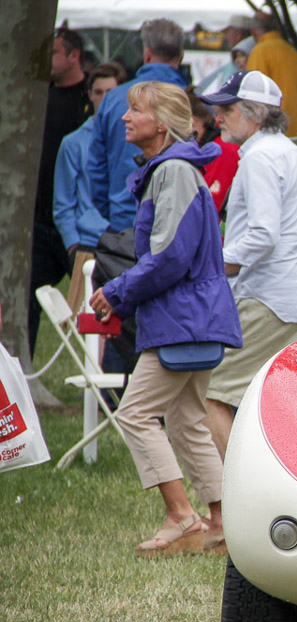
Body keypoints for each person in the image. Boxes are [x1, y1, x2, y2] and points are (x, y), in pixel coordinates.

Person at [86, 82, 241, 557]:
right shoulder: (177, 170)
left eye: (136, 110)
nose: (126, 118)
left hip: (182, 319)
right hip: (195, 318)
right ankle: (219, 523)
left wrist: (116, 291)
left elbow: (170, 256)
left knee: (134, 413)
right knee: (187, 418)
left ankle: (181, 516)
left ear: (163, 123)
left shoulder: (172, 171)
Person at [199, 71, 297, 459]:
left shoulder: (259, 156)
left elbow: (263, 234)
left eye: (226, 108)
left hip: (270, 299)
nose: (217, 117)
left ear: (254, 113)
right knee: (280, 411)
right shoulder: (285, 149)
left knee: (209, 393)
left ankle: (231, 503)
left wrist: (210, 264)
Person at [88, 18, 187, 234]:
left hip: (123, 222)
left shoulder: (113, 99)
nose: (127, 117)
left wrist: (113, 211)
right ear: (180, 56)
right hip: (176, 225)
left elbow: (96, 167)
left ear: (147, 53)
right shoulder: (192, 102)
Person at [29, 27, 91, 350]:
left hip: (78, 223)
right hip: (40, 219)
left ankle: (97, 370)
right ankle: (22, 368)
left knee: (90, 300)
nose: (48, 60)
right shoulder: (39, 96)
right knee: (29, 296)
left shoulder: (90, 99)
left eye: (53, 52)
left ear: (73, 55)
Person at [53, 63, 125, 265]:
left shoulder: (131, 141)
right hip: (87, 242)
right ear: (90, 95)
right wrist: (72, 245)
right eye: (98, 92)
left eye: (110, 92)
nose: (104, 99)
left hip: (125, 237)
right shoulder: (73, 143)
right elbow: (63, 202)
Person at [246, 12, 297, 137]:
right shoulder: (294, 53)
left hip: (272, 131)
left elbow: (253, 98)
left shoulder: (259, 52)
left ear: (253, 32)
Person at [187, 91, 240, 211]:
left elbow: (212, 209)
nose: (218, 118)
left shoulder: (221, 150)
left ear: (192, 121)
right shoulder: (214, 147)